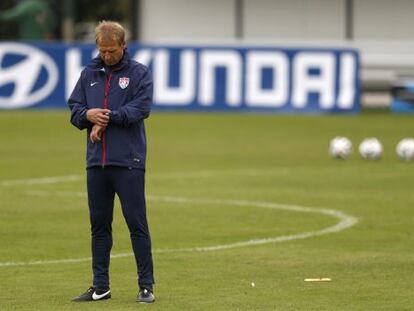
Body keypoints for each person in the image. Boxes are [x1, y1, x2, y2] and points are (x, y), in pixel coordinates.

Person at [68, 20, 155, 304]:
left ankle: (146, 286)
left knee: (136, 223)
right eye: (103, 51)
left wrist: (105, 117)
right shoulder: (89, 72)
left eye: (112, 51)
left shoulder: (139, 73)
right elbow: (75, 109)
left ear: (123, 46)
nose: (107, 56)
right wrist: (87, 116)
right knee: (99, 226)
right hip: (97, 163)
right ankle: (100, 287)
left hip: (128, 162)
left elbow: (140, 109)